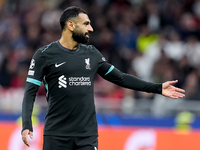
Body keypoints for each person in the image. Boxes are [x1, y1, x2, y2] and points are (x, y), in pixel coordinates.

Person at [21, 6, 185, 150]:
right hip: (56, 135)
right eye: (86, 24)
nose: (90, 28)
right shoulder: (44, 55)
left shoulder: (92, 54)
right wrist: (27, 124)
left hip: (87, 136)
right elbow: (30, 92)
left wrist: (157, 88)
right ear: (70, 25)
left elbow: (121, 78)